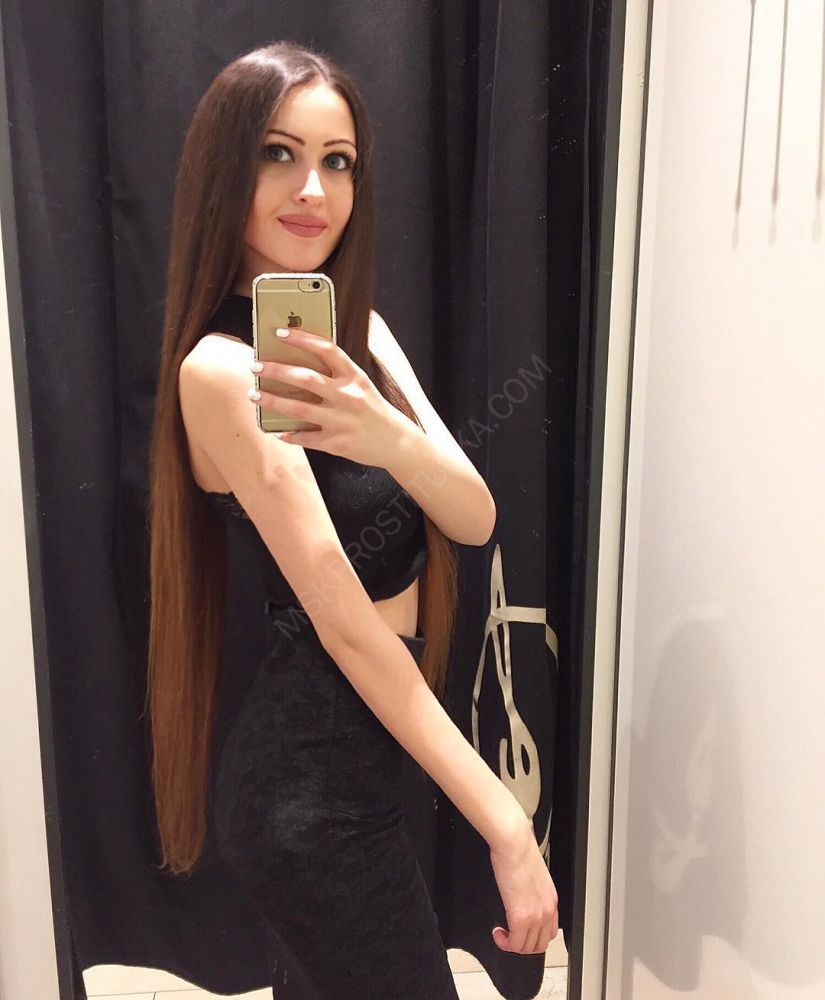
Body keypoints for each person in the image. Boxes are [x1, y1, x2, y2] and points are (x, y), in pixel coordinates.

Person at [145, 40, 558, 999]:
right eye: (277, 153)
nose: (313, 190)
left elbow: (473, 515)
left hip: (363, 771)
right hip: (309, 793)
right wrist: (506, 825)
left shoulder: (360, 334)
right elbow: (345, 626)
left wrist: (384, 434)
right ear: (225, 168)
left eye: (338, 162)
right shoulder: (220, 371)